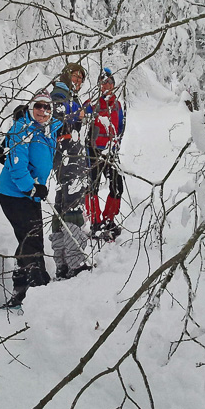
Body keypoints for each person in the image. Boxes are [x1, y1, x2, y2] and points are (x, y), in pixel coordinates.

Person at [0, 90, 61, 307]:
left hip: (31, 194)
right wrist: (31, 188)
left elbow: (62, 125)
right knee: (30, 241)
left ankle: (32, 283)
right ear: (31, 107)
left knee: (33, 239)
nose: (43, 110)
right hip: (14, 194)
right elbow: (17, 166)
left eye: (47, 107)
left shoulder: (48, 128)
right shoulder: (22, 129)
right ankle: (31, 290)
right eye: (38, 106)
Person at [49, 62, 91, 279]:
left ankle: (62, 263)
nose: (78, 81)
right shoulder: (60, 94)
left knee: (62, 205)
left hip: (67, 156)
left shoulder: (69, 96)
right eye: (75, 76)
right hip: (68, 157)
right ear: (66, 75)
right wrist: (77, 116)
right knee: (73, 205)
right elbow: (57, 121)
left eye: (81, 78)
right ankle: (75, 262)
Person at [84, 67, 125, 240]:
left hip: (111, 152)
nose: (106, 85)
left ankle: (109, 221)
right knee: (92, 187)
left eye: (109, 82)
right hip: (93, 151)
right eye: (103, 82)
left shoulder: (117, 105)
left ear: (113, 85)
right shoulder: (94, 102)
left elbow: (120, 126)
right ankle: (95, 223)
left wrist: (116, 143)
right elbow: (81, 114)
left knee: (117, 187)